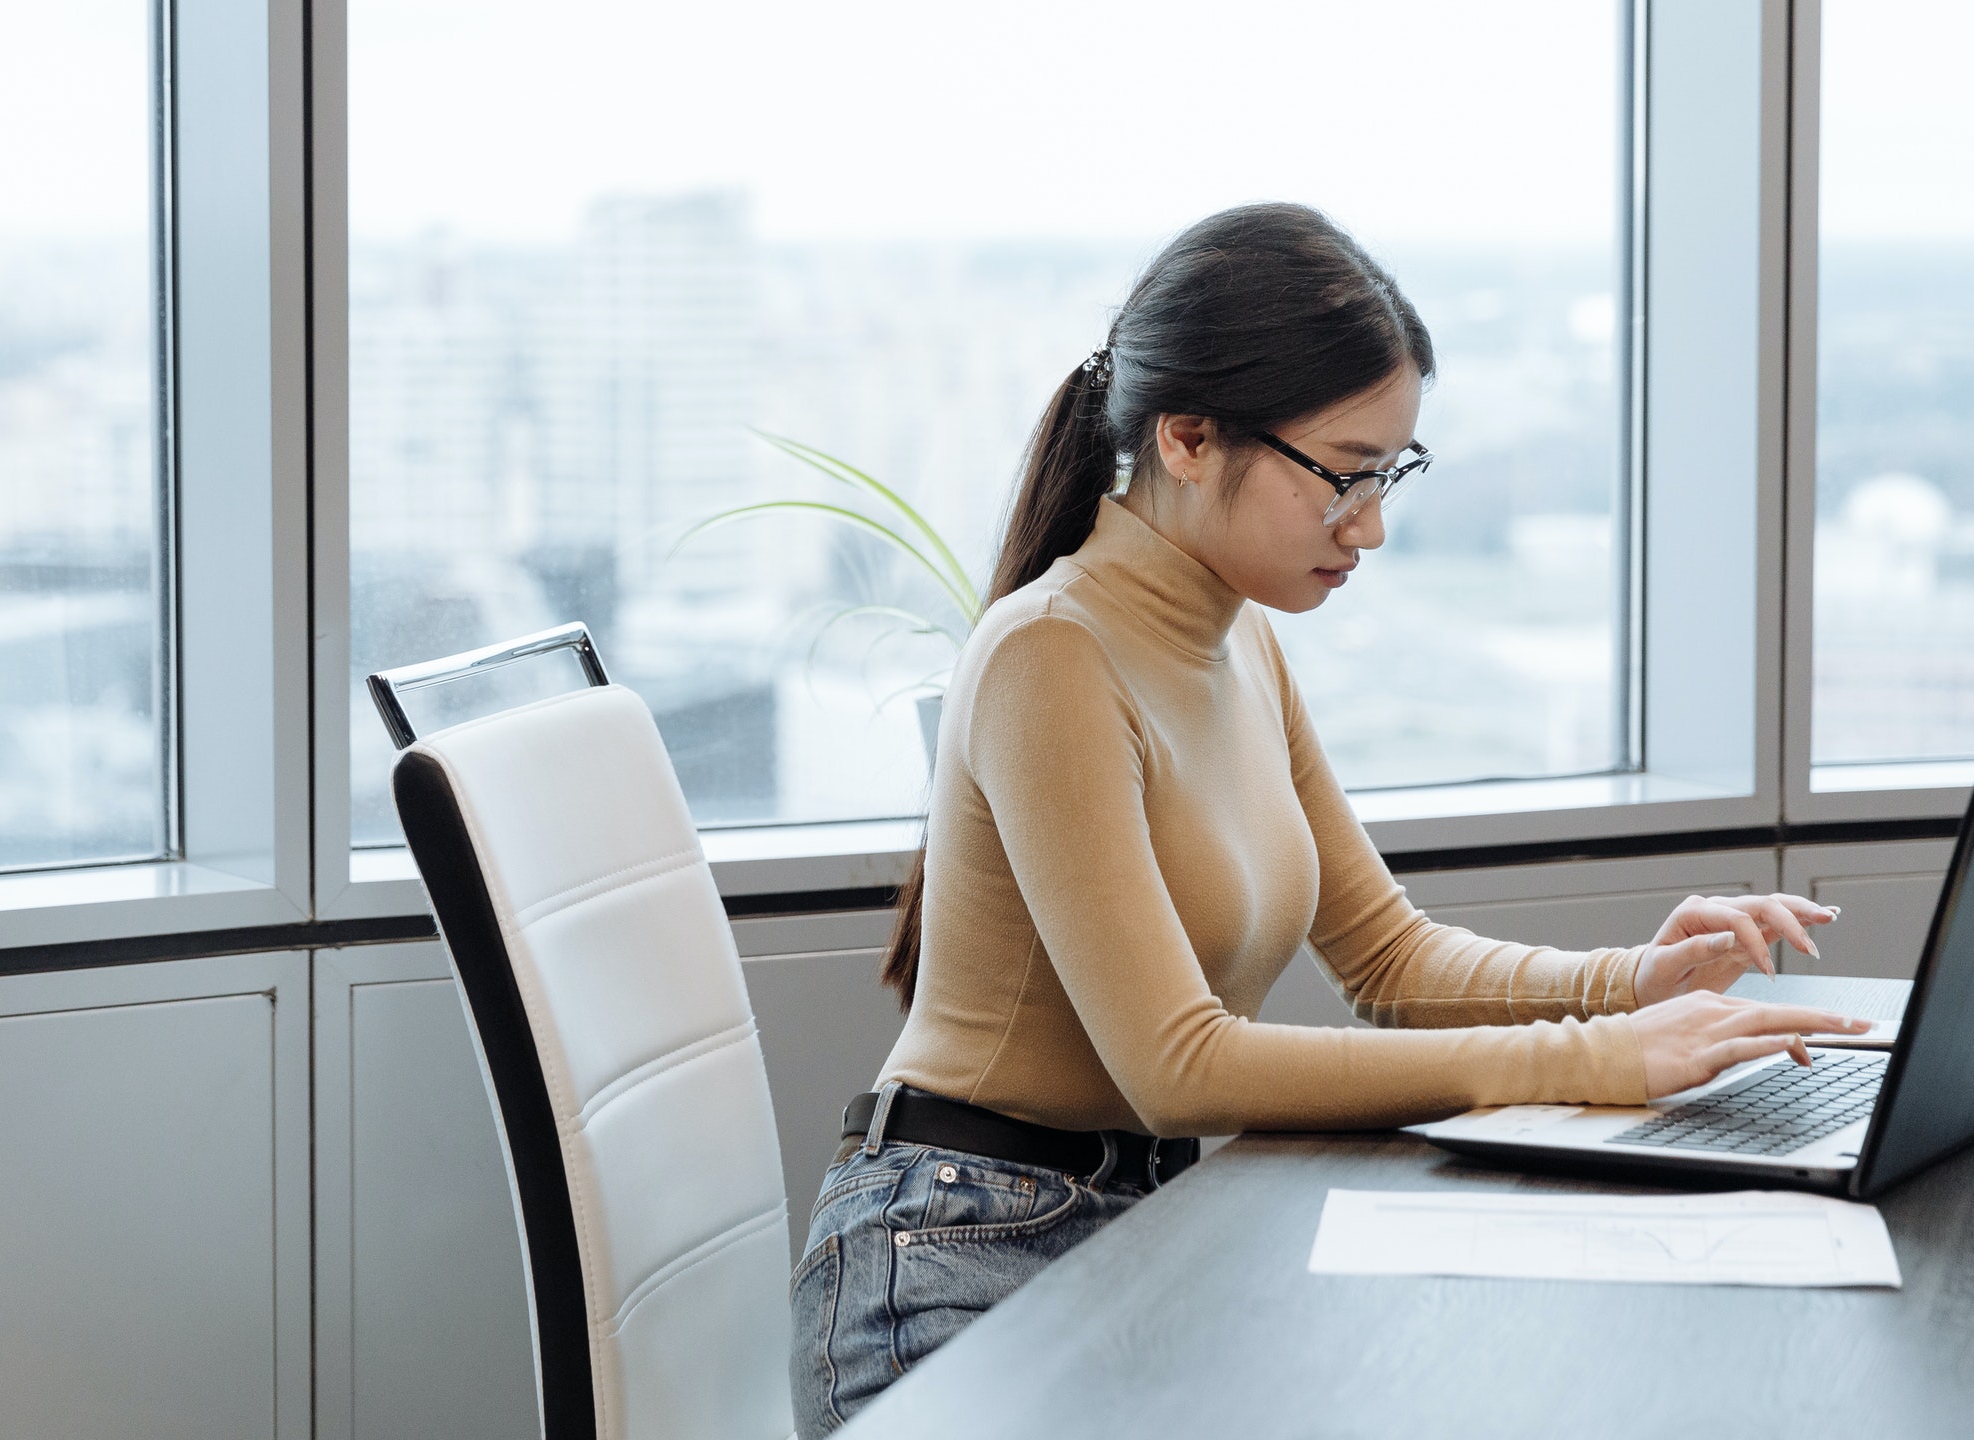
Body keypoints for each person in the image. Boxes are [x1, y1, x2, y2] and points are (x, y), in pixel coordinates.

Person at [786, 203, 1866, 1436]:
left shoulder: (1236, 638)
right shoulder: (1052, 656)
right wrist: (1582, 1062)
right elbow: (1176, 1062)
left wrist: (1633, 980)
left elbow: (1393, 962)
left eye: (1389, 473)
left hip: (1128, 1232)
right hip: (951, 1258)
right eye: (1344, 476)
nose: (1373, 524)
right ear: (1186, 438)